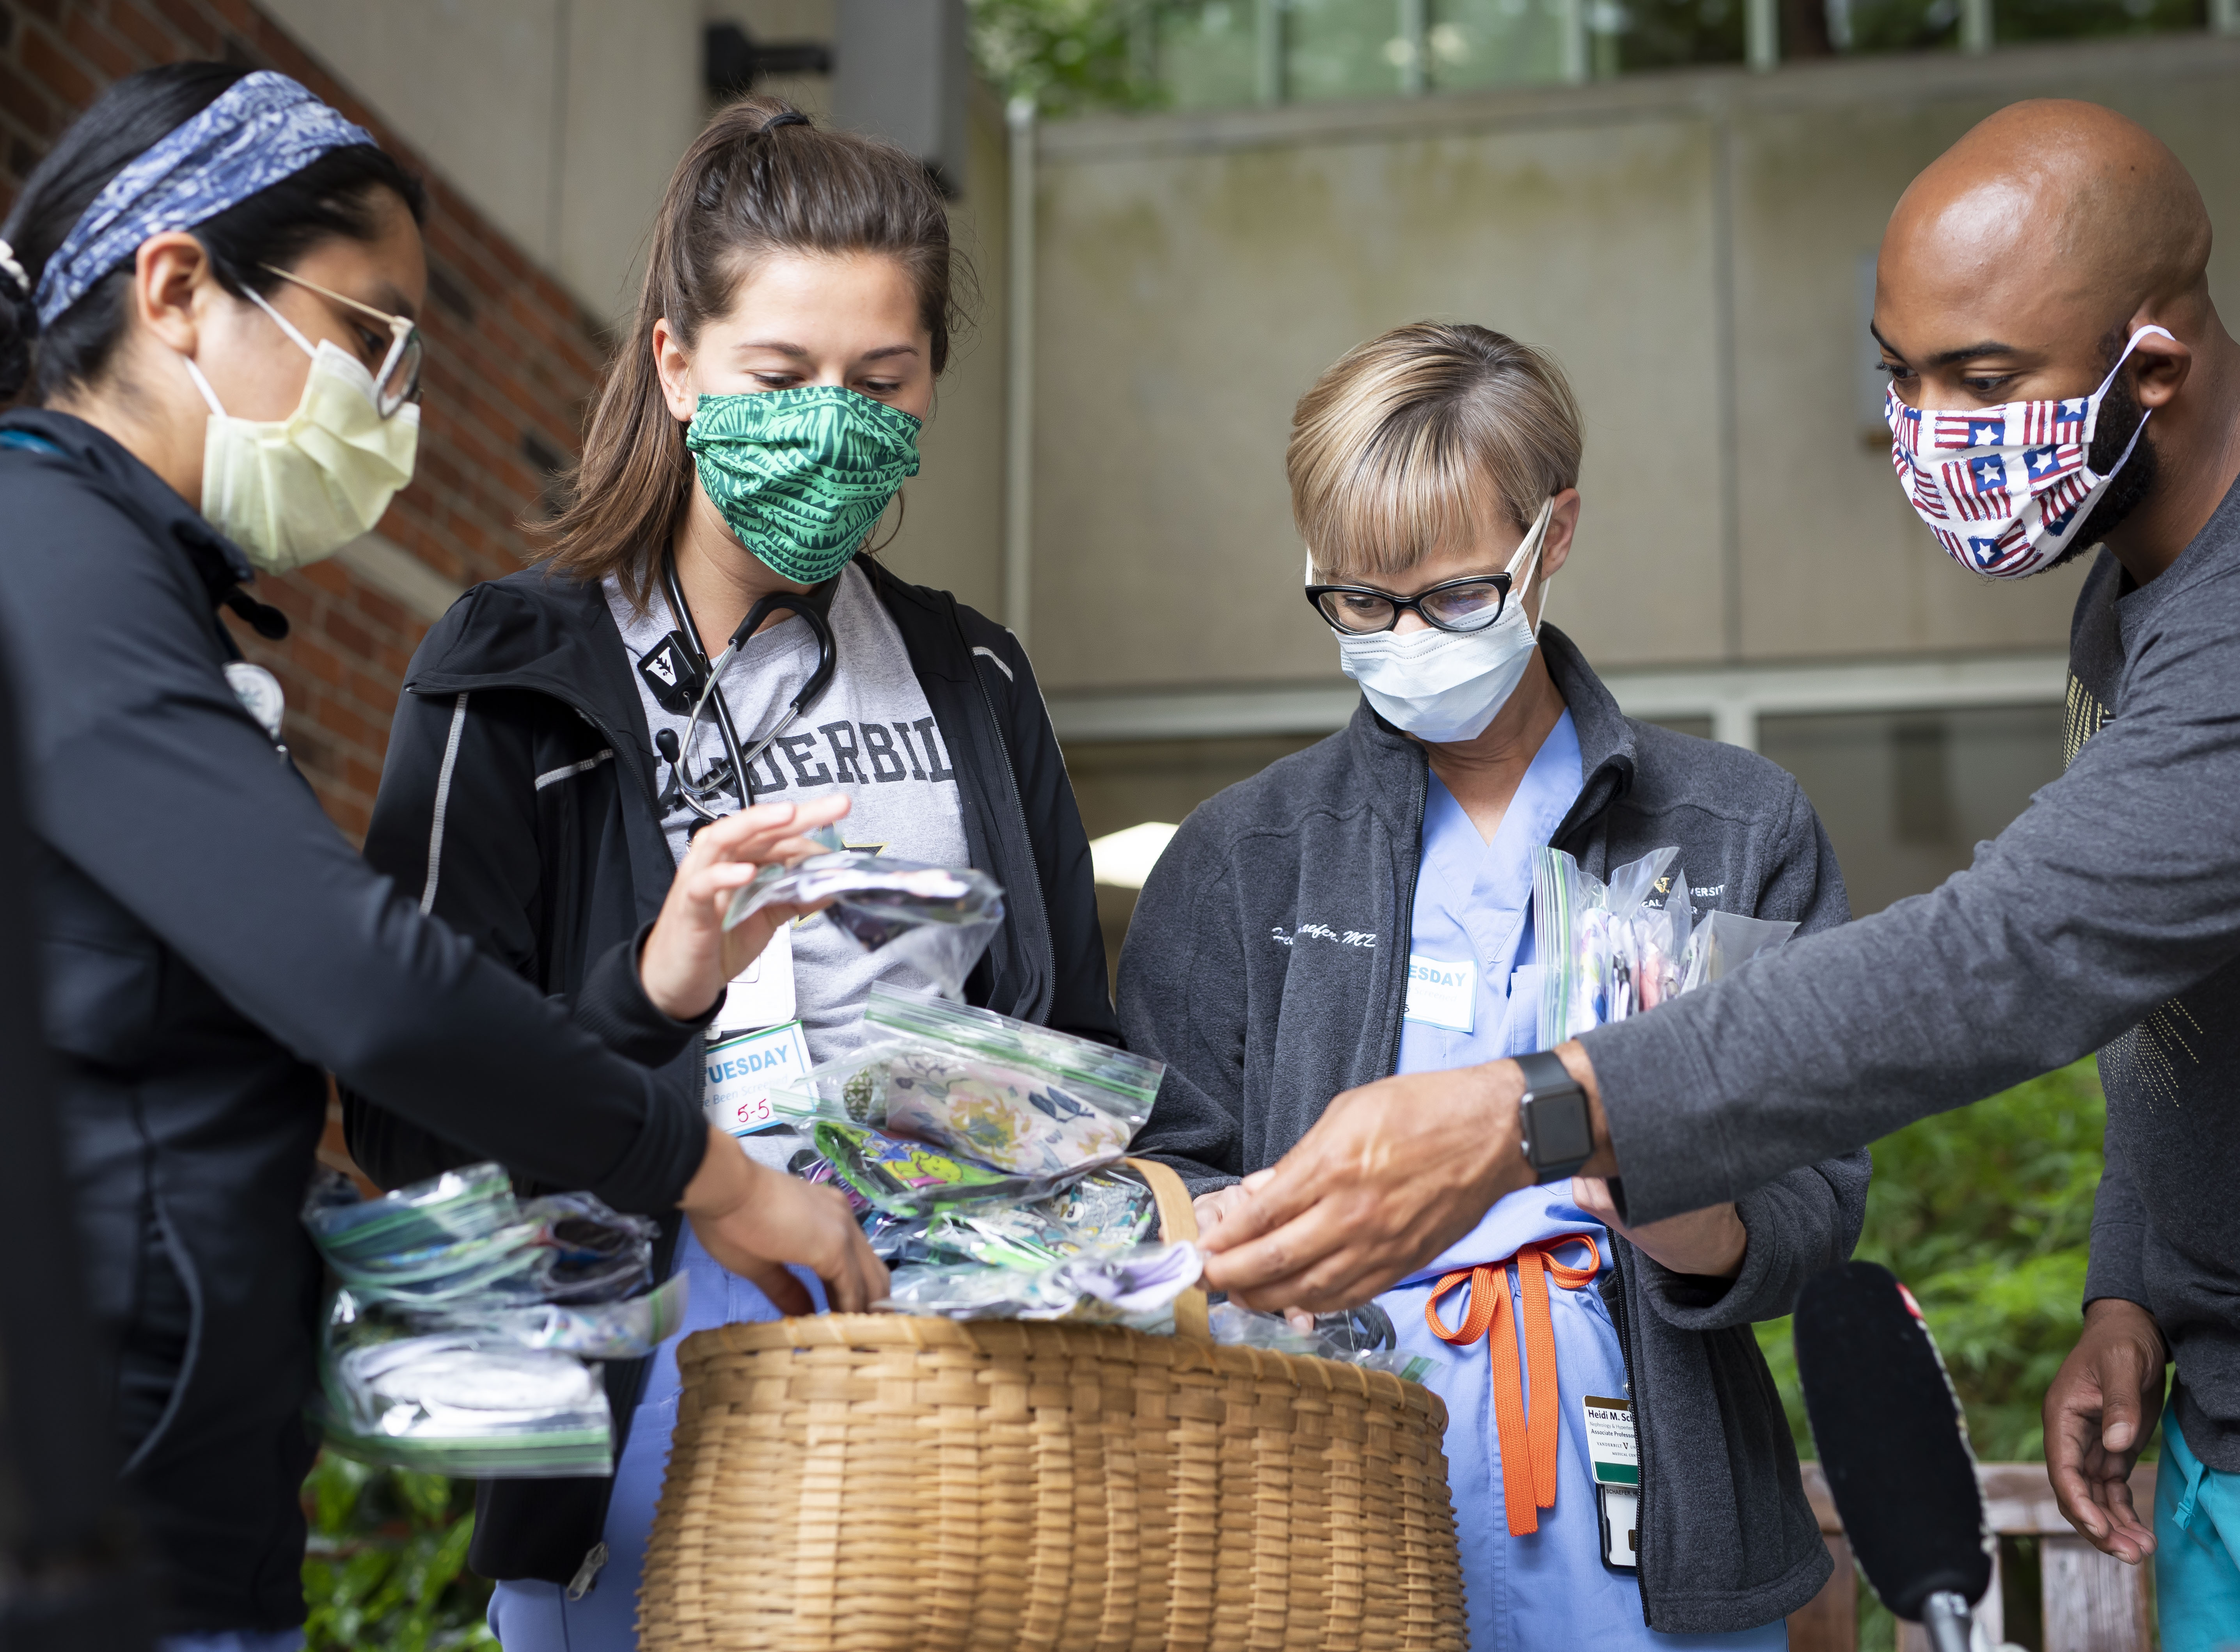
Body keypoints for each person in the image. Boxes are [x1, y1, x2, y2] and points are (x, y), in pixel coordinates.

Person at [1186, 100, 2240, 1652]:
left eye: (1978, 380)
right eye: (1896, 374)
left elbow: (2015, 952)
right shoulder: (2130, 597)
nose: (1917, 428)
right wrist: (2133, 1290)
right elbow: (2171, 999)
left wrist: (1532, 1111)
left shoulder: (1741, 814)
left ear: (2149, 371)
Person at [0, 64, 885, 1652]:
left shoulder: (115, 578)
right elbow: (366, 976)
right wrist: (713, 1174)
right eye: (370, 338)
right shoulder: (48, 561)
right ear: (179, 288)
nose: (394, 407)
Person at [340, 96, 1116, 1649]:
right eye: (780, 375)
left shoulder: (974, 678)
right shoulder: (514, 667)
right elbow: (406, 1111)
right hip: (623, 1402)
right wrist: (649, 988)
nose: (831, 421)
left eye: (879, 382)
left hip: (938, 1398)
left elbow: (1074, 1060)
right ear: (676, 362)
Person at [1122, 322, 1865, 1645]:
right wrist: (1232, 1236)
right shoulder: (1244, 860)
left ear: (1552, 536)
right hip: (1328, 1484)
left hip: (1653, 1483)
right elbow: (1154, 1189)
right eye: (1359, 600)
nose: (1408, 636)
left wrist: (1682, 1210)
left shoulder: (1733, 829)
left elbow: (1812, 1203)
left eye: (1457, 596)